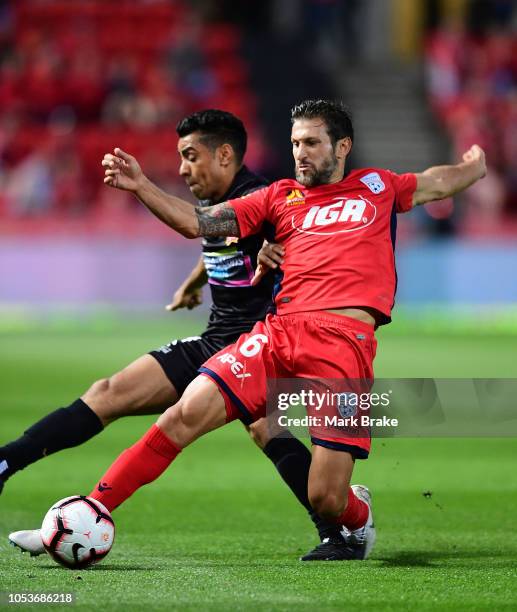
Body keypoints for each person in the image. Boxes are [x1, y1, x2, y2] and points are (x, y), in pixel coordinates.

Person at [77, 99, 485, 561]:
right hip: (276, 335)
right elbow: (198, 223)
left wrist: (474, 167)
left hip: (343, 349)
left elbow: (437, 182)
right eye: (294, 144)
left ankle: (357, 515)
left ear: (342, 146)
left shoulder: (377, 187)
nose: (300, 153)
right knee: (183, 414)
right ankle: (92, 508)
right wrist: (141, 186)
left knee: (326, 499)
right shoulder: (278, 196)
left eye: (311, 142)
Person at [5, 109, 338, 557]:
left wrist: (142, 185)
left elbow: (265, 233)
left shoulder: (262, 198)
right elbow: (222, 234)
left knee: (265, 428)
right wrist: (195, 281)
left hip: (258, 345)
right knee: (109, 392)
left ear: (224, 155)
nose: (182, 169)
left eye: (190, 155)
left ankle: (338, 529)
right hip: (215, 339)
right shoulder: (224, 203)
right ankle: (6, 461)